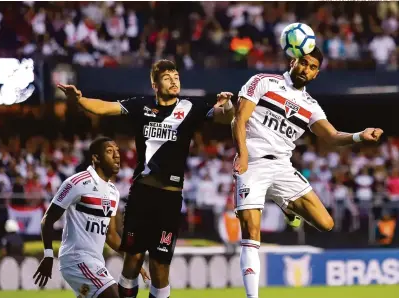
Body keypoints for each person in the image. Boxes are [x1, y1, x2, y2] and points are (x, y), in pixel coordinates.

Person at [57, 59, 235, 298]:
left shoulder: (191, 107)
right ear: (154, 83)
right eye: (167, 77)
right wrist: (79, 99)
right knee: (133, 259)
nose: (174, 81)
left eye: (176, 76)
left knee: (160, 267)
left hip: (170, 200)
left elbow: (225, 117)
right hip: (142, 194)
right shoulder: (140, 106)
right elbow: (104, 107)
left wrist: (229, 105)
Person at [232, 46, 383, 298]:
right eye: (303, 63)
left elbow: (332, 136)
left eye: (313, 67)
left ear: (316, 74)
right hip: (253, 162)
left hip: (282, 167)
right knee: (251, 232)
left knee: (326, 223)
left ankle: (287, 206)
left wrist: (359, 136)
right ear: (293, 62)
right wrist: (243, 153)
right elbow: (240, 118)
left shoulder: (310, 105)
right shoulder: (264, 82)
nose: (306, 69)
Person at [33, 137, 149, 298]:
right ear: (96, 157)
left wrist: (131, 259)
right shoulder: (77, 183)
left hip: (95, 261)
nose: (117, 156)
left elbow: (111, 234)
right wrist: (47, 255)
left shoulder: (113, 192)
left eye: (117, 151)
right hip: (76, 259)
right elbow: (48, 219)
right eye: (109, 151)